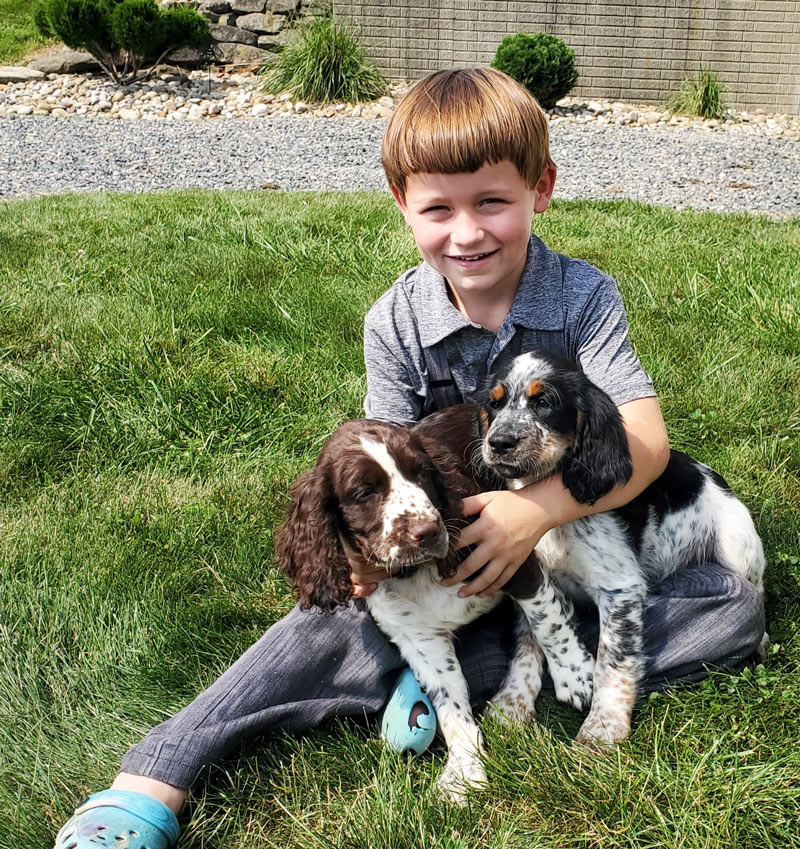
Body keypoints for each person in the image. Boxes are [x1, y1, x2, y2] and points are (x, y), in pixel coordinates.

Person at [54, 68, 765, 849]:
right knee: (330, 617)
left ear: (542, 188)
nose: (468, 233)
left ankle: (426, 676)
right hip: (439, 550)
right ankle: (157, 769)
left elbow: (649, 444)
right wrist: (365, 559)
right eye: (438, 209)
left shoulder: (585, 297)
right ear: (402, 206)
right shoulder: (394, 320)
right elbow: (383, 469)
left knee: (730, 612)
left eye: (492, 201)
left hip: (577, 550)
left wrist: (535, 512)